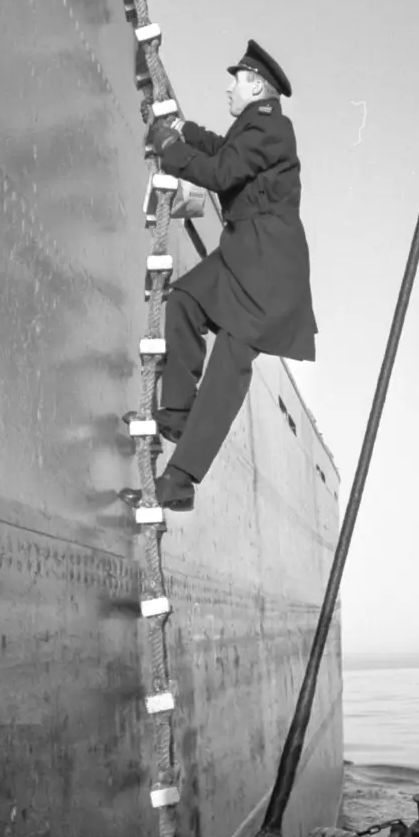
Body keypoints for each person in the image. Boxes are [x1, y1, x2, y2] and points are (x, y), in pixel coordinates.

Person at [123, 40, 317, 512]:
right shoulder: (257, 126)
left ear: (255, 85)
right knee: (185, 300)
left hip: (266, 275)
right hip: (244, 258)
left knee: (226, 372)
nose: (228, 87)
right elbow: (222, 147)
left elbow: (223, 170)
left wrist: (171, 151)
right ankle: (176, 415)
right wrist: (182, 129)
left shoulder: (273, 129)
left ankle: (179, 481)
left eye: (235, 80)